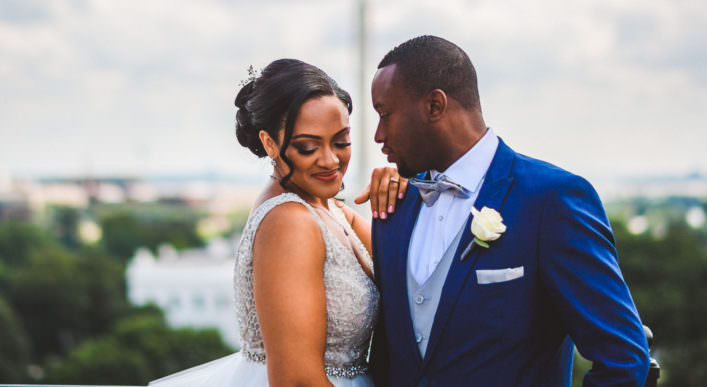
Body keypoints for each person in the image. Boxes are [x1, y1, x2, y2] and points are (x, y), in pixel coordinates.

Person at [369, 35, 650, 386]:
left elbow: (623, 358)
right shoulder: (392, 211)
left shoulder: (551, 200)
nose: (378, 135)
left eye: (386, 115)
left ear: (434, 106)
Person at [151, 59, 407, 387]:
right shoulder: (289, 221)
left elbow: (405, 271)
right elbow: (296, 380)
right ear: (270, 143)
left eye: (341, 141)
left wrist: (402, 188)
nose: (330, 160)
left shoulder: (332, 209)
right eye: (308, 147)